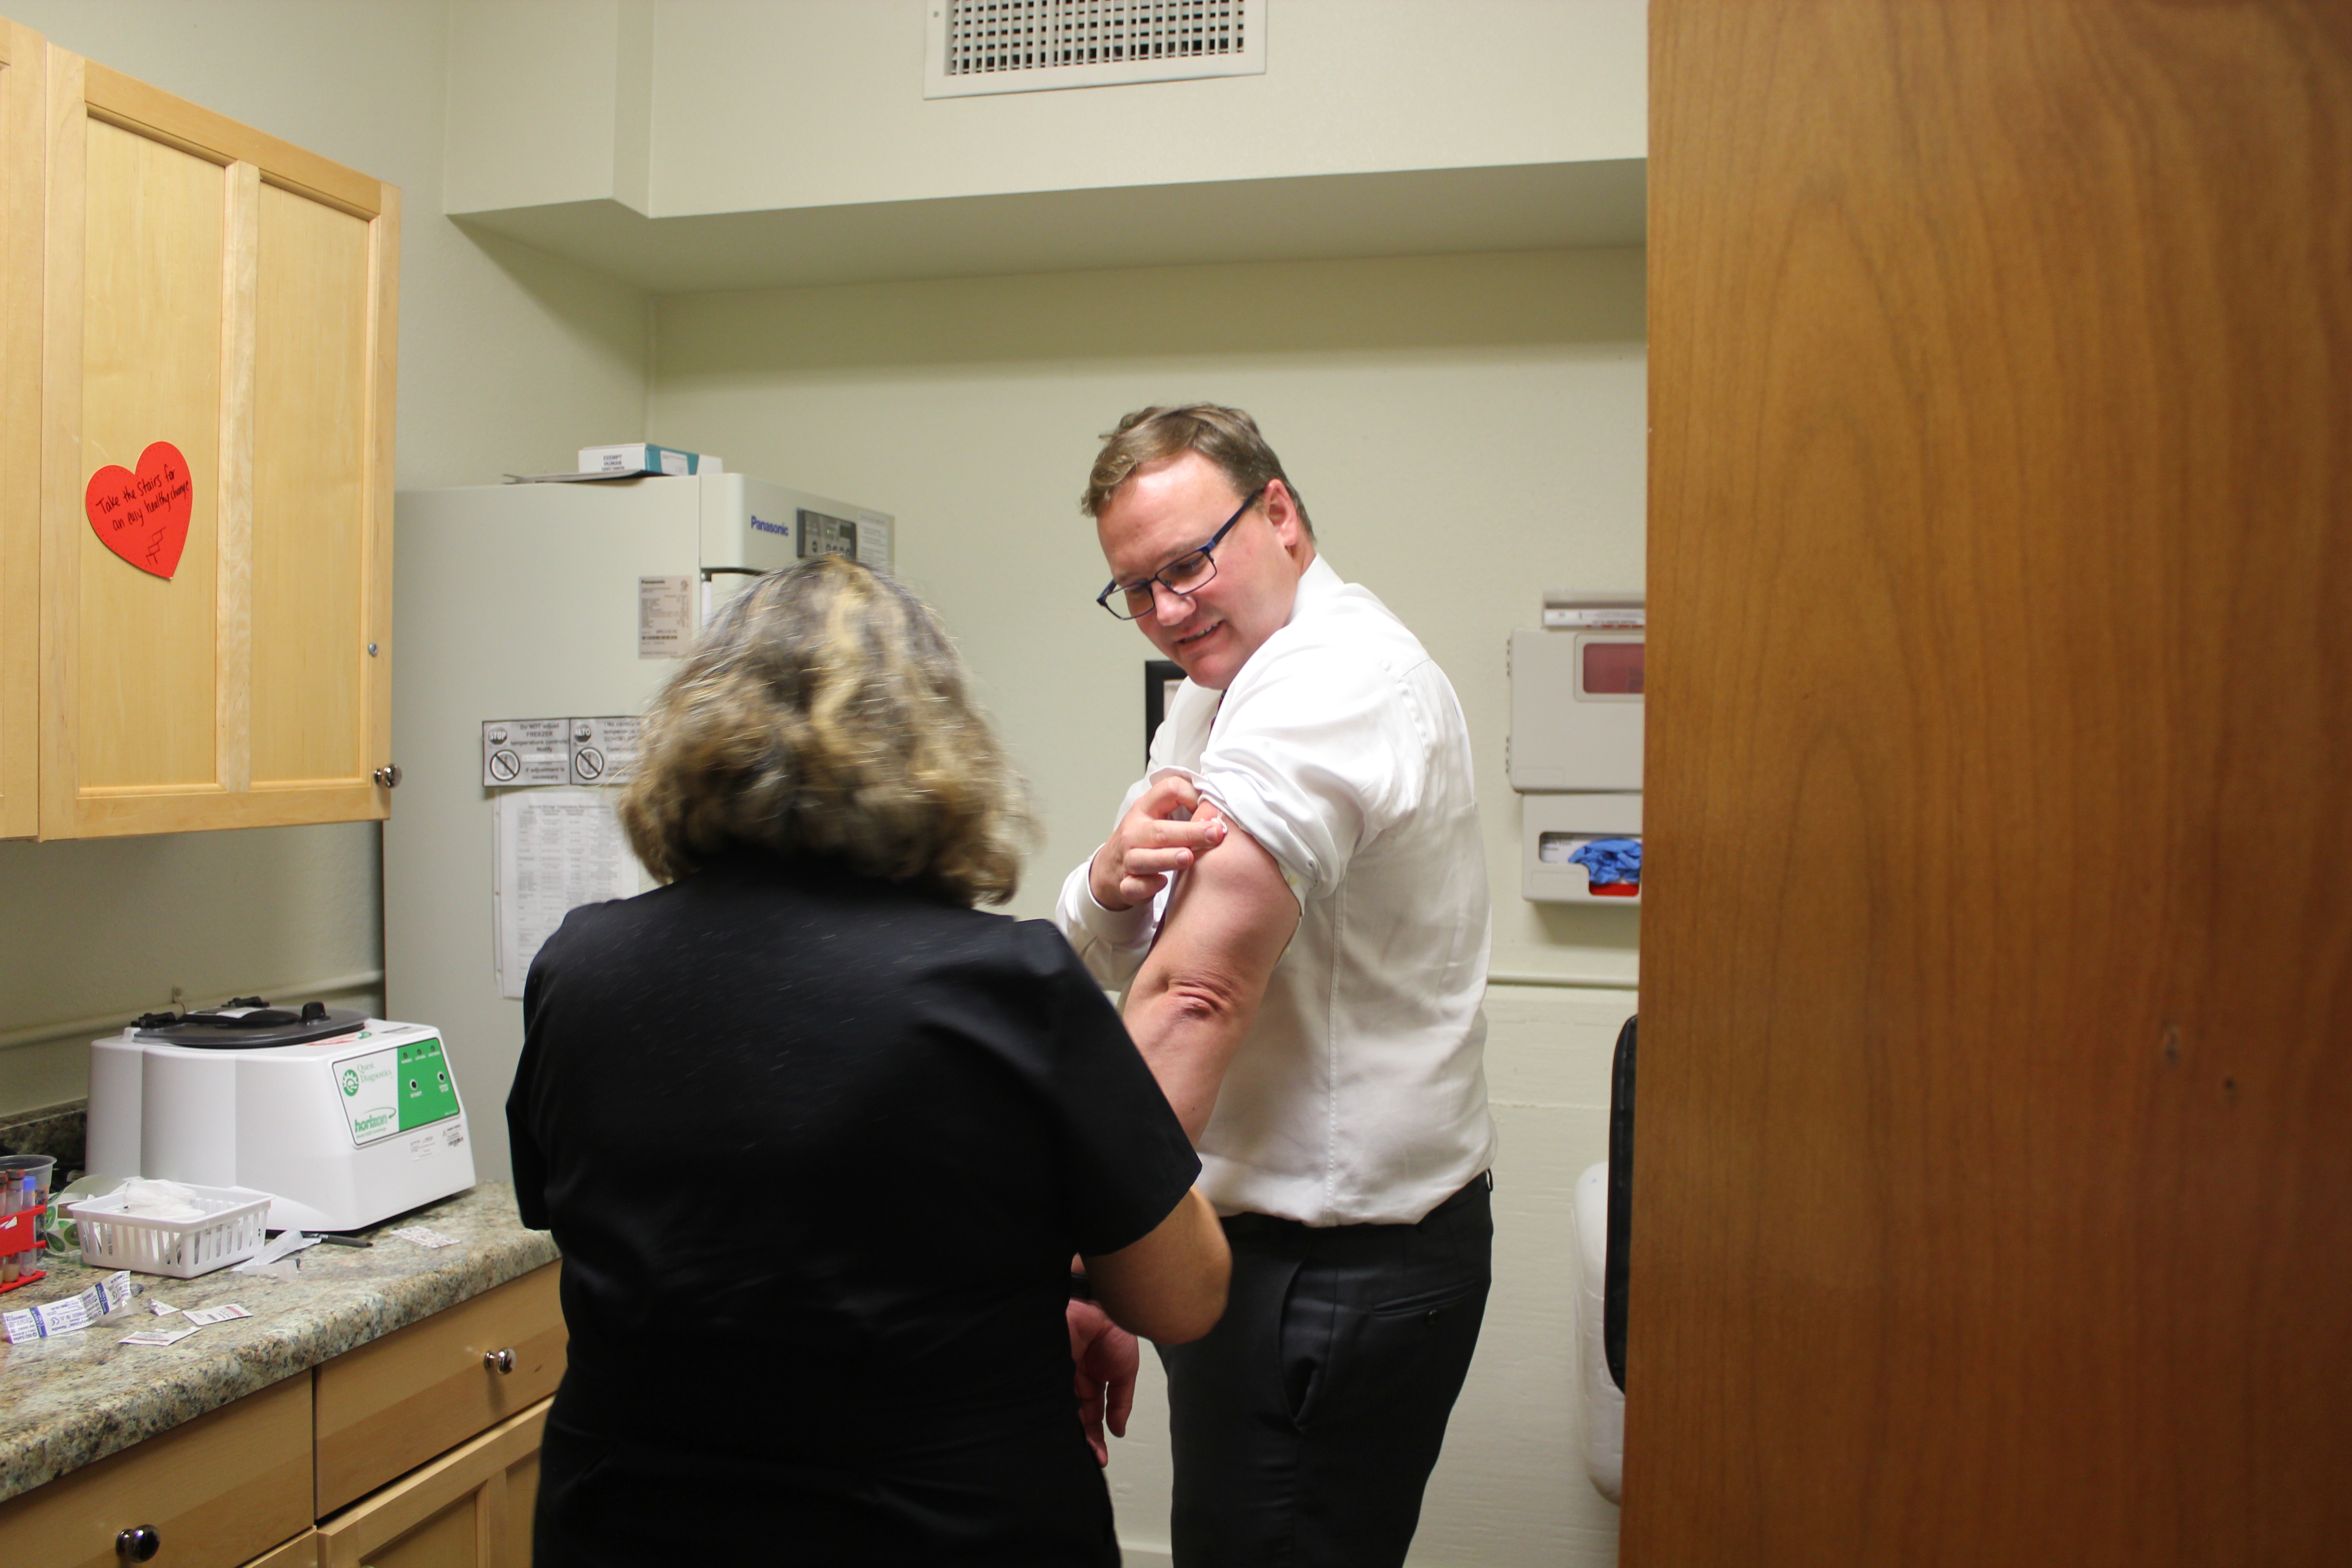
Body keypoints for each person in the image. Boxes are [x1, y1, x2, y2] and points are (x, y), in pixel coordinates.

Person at [509, 555, 1230, 1567]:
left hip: (632, 1523)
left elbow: (609, 1218)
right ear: (933, 747)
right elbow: (1181, 1297)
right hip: (938, 1523)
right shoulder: (1005, 983)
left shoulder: (580, 967)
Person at [1054, 405, 1494, 1567]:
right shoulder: (1218, 688)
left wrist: (1082, 1262)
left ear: (1282, 515)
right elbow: (1116, 942)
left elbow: (1194, 995)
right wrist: (1101, 885)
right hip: (1241, 1234)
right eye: (1137, 589)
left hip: (1330, 1266)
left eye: (1188, 564)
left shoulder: (1331, 682)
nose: (1167, 609)